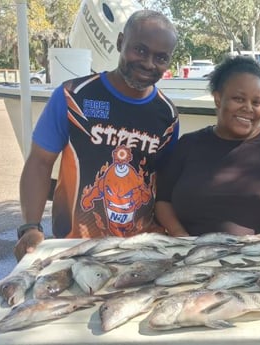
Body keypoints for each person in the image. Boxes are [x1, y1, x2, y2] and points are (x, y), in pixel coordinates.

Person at [14, 10, 179, 261]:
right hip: (76, 246)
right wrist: (30, 227)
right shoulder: (73, 96)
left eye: (161, 57)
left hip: (140, 249)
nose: (148, 63)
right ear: (120, 42)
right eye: (140, 50)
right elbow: (39, 162)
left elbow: (164, 186)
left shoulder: (167, 115)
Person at [155, 56, 260, 237]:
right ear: (218, 98)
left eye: (256, 102)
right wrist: (180, 235)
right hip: (195, 251)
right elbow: (163, 201)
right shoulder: (188, 145)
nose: (248, 108)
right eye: (238, 99)